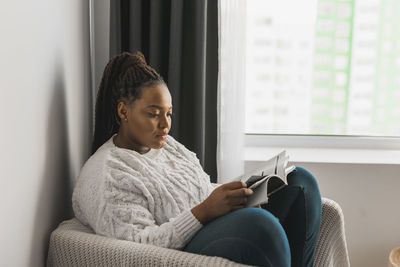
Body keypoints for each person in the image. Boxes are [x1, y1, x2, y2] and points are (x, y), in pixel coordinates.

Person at [72, 51, 322, 267]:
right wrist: (205, 211)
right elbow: (140, 246)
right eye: (153, 114)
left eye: (169, 114)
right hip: (184, 245)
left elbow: (200, 188)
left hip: (210, 221)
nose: (165, 125)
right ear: (123, 111)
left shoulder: (165, 145)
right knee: (262, 226)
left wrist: (241, 192)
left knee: (300, 181)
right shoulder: (110, 172)